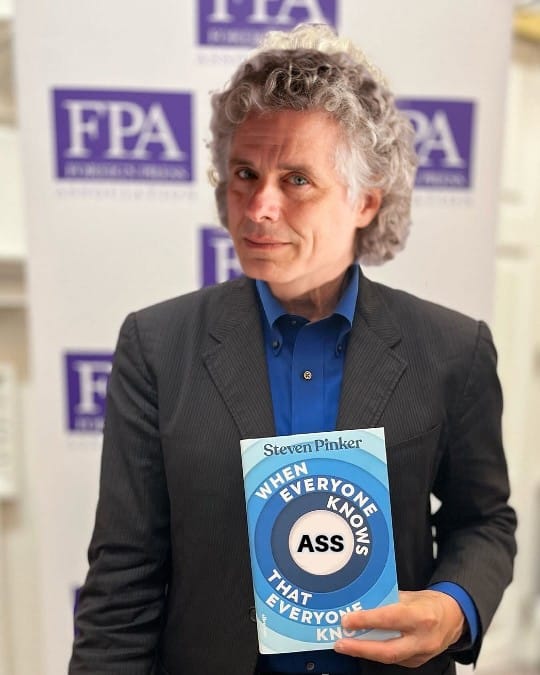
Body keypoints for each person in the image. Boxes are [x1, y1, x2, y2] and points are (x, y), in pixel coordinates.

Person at [69, 23, 517, 675]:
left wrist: (455, 608)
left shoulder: (453, 350)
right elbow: (123, 575)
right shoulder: (158, 346)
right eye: (244, 174)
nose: (258, 208)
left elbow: (484, 520)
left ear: (365, 201)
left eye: (297, 180)